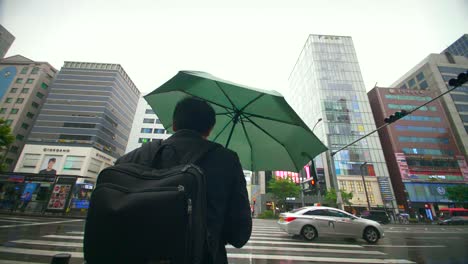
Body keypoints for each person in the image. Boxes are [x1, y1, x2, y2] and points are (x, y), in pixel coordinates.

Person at [116, 97, 252, 263]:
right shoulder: (226, 160)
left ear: (174, 124)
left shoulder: (129, 159)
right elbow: (239, 234)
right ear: (209, 130)